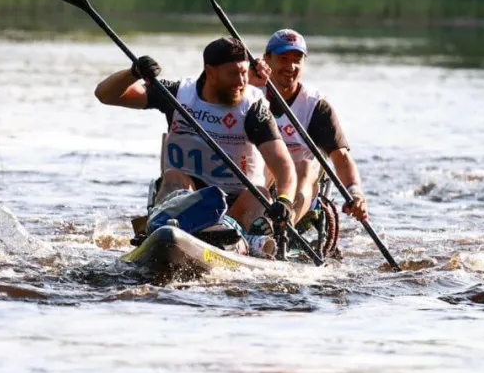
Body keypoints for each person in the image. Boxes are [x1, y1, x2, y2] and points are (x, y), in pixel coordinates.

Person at [94, 36, 297, 241]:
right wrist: (133, 73)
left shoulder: (254, 109)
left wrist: (285, 200)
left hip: (237, 202)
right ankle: (165, 231)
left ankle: (242, 240)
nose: (241, 81)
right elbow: (106, 95)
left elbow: (283, 165)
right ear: (210, 71)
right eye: (233, 74)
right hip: (186, 201)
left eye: (244, 73)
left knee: (259, 194)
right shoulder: (177, 94)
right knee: (173, 176)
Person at [256, 29, 369, 225]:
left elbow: (340, 158)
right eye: (283, 58)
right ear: (267, 59)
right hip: (261, 179)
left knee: (307, 166)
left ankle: (284, 225)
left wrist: (355, 192)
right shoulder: (250, 94)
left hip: (301, 187)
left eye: (297, 60)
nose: (290, 66)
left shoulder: (315, 106)